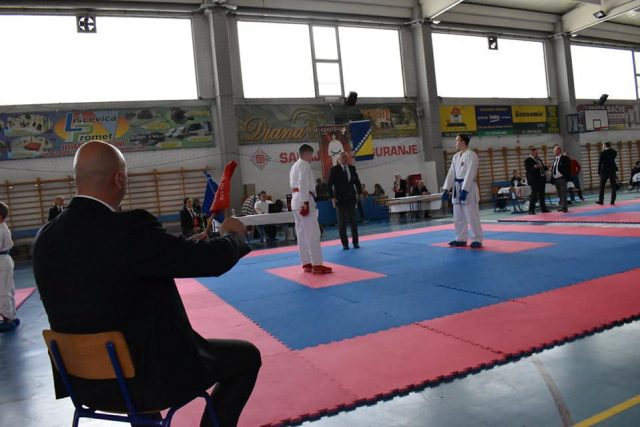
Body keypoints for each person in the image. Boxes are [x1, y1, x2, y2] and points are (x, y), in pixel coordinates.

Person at [32, 140, 260, 427]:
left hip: (82, 382)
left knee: (130, 346)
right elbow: (209, 262)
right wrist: (233, 237)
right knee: (246, 357)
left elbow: (119, 267)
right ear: (119, 178)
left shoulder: (45, 238)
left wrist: (181, 247)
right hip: (149, 380)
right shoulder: (128, 229)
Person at [290, 144, 332, 274]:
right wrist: (305, 202)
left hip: (295, 200)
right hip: (304, 198)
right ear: (307, 154)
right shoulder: (304, 165)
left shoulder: (294, 166)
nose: (311, 158)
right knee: (312, 232)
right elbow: (302, 183)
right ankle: (317, 264)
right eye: (311, 155)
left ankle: (306, 263)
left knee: (301, 234)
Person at [442, 134, 483, 248]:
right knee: (458, 216)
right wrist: (446, 189)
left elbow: (470, 173)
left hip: (468, 188)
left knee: (472, 215)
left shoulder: (471, 155)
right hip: (457, 187)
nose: (455, 143)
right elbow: (451, 173)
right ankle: (461, 238)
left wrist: (465, 189)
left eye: (457, 141)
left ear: (463, 142)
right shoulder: (456, 156)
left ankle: (477, 239)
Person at [327, 151, 363, 250]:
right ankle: (345, 244)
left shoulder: (352, 168)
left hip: (351, 198)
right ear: (338, 159)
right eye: (342, 157)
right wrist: (332, 197)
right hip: (340, 200)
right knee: (342, 223)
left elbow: (357, 182)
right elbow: (329, 185)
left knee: (353, 221)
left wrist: (360, 193)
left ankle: (355, 242)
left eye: (346, 157)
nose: (345, 159)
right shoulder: (334, 170)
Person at [0, 202, 19, 333]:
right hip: (5, 260)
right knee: (9, 290)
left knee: (3, 292)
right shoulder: (3, 226)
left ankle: (8, 319)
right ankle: (12, 316)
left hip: (2, 261)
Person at [524, 147, 550, 215]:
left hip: (541, 179)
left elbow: (542, 168)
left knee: (542, 195)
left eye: (537, 152)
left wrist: (547, 167)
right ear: (532, 153)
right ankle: (531, 210)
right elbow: (528, 169)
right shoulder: (527, 160)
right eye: (536, 152)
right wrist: (534, 167)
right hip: (534, 180)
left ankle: (543, 209)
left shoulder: (538, 159)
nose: (537, 153)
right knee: (534, 195)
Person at [551, 145, 571, 213]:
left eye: (555, 150)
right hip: (556, 179)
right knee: (559, 194)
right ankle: (562, 206)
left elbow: (567, 168)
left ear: (559, 151)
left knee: (563, 193)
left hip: (562, 178)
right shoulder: (555, 159)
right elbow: (554, 169)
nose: (554, 152)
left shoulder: (565, 158)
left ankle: (565, 207)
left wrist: (565, 176)